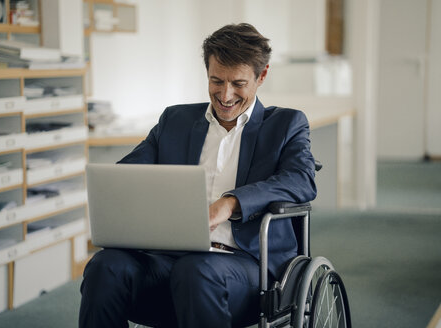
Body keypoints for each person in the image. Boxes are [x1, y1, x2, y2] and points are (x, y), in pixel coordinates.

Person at [79, 23, 316, 328]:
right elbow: (129, 173)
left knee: (195, 269)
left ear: (262, 76)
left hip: (245, 265)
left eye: (238, 83)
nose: (225, 95)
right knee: (104, 267)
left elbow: (301, 179)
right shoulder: (175, 120)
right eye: (216, 81)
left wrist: (230, 203)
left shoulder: (286, 125)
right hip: (169, 258)